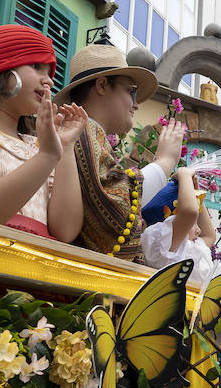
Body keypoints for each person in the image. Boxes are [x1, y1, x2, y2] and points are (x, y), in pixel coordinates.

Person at [58, 44, 179, 259]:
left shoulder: (89, 134)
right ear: (102, 85)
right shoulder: (81, 133)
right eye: (131, 92)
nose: (136, 105)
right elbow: (115, 204)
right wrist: (165, 162)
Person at [0, 25, 86, 239]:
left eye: (49, 73)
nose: (49, 80)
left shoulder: (37, 145)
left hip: (32, 265)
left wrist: (65, 148)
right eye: (37, 66)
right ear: (2, 69)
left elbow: (66, 231)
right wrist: (47, 156)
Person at [139, 167, 216, 283]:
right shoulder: (164, 246)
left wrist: (195, 191)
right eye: (194, 223)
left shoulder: (191, 248)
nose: (199, 230)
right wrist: (184, 173)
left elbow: (210, 236)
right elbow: (189, 212)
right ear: (169, 221)